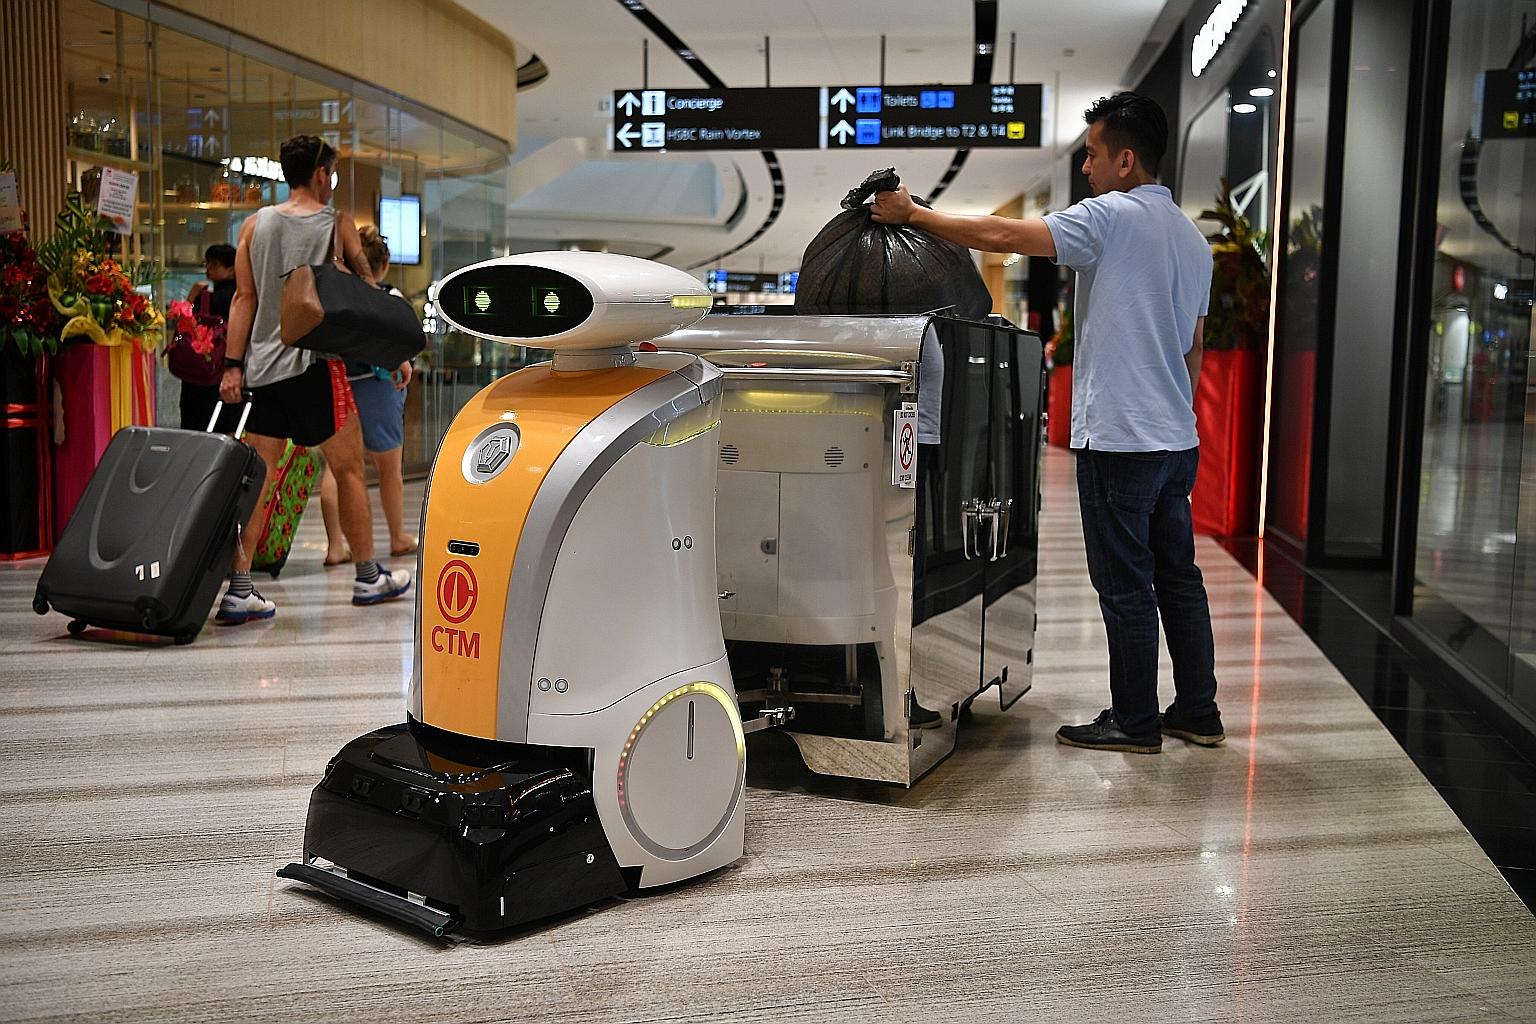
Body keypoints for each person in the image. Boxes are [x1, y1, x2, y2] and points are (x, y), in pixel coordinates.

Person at [871, 91, 1223, 754]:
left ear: (1125, 159)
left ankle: (1136, 720)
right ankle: (1197, 711)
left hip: (1120, 437)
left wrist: (914, 215)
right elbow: (1192, 349)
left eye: (1092, 154)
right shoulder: (1190, 237)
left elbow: (1006, 238)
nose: (1086, 167)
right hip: (1176, 437)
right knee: (1178, 576)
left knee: (1125, 585)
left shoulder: (1112, 217)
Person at [215, 134, 412, 623]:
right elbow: (365, 292)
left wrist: (233, 366)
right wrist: (392, 354)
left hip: (264, 369)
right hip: (317, 366)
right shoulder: (335, 223)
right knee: (348, 468)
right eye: (332, 174)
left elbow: (244, 300)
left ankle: (239, 589)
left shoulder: (253, 226)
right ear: (321, 174)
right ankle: (368, 577)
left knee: (258, 479)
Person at [318, 224, 417, 567]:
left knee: (338, 467)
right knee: (389, 467)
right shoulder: (388, 298)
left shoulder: (337, 297)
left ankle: (334, 545)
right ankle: (397, 537)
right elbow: (404, 340)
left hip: (340, 386)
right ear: (384, 265)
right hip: (379, 387)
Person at [178, 244, 241, 433]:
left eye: (214, 265)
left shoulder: (212, 299)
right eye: (208, 264)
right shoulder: (242, 297)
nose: (208, 269)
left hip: (203, 369)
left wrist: (191, 296)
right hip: (227, 367)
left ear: (231, 269)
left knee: (198, 423)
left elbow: (183, 322)